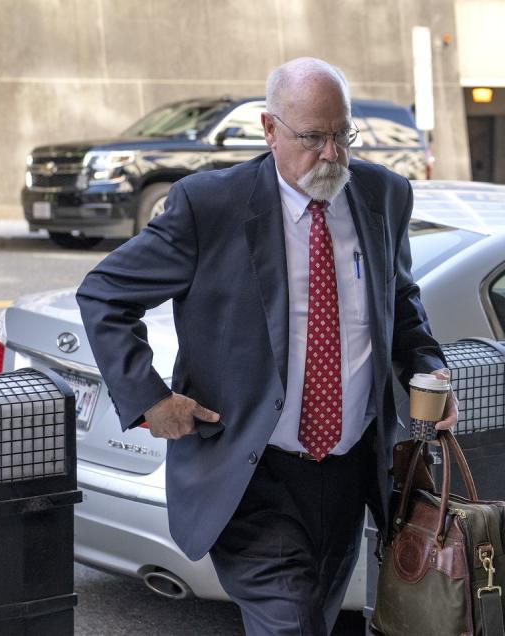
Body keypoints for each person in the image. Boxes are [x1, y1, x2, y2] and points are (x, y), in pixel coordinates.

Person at [76, 57, 457, 635]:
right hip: (251, 473)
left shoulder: (384, 195)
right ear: (270, 130)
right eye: (312, 138)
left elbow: (400, 300)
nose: (331, 154)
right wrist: (150, 399)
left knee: (315, 620)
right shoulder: (209, 206)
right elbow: (105, 294)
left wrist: (426, 365)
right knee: (291, 625)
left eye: (341, 134)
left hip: (351, 471)